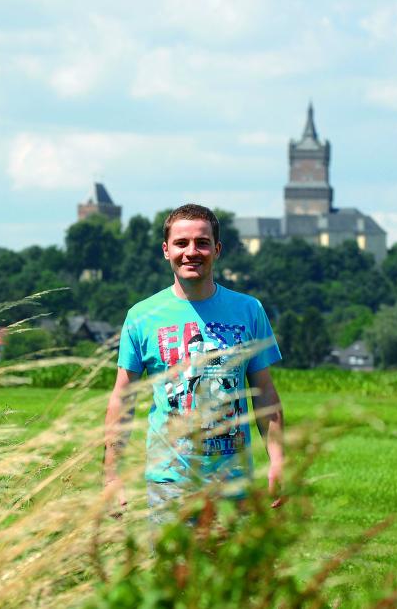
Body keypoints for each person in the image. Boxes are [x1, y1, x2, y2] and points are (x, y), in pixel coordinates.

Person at [103, 203, 285, 523]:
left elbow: (265, 394)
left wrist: (279, 461)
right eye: (181, 243)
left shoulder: (249, 310)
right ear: (166, 250)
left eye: (202, 243)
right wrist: (111, 476)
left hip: (234, 484)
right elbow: (123, 398)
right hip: (169, 483)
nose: (192, 252)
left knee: (234, 574)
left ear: (217, 249)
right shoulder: (142, 316)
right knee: (175, 574)